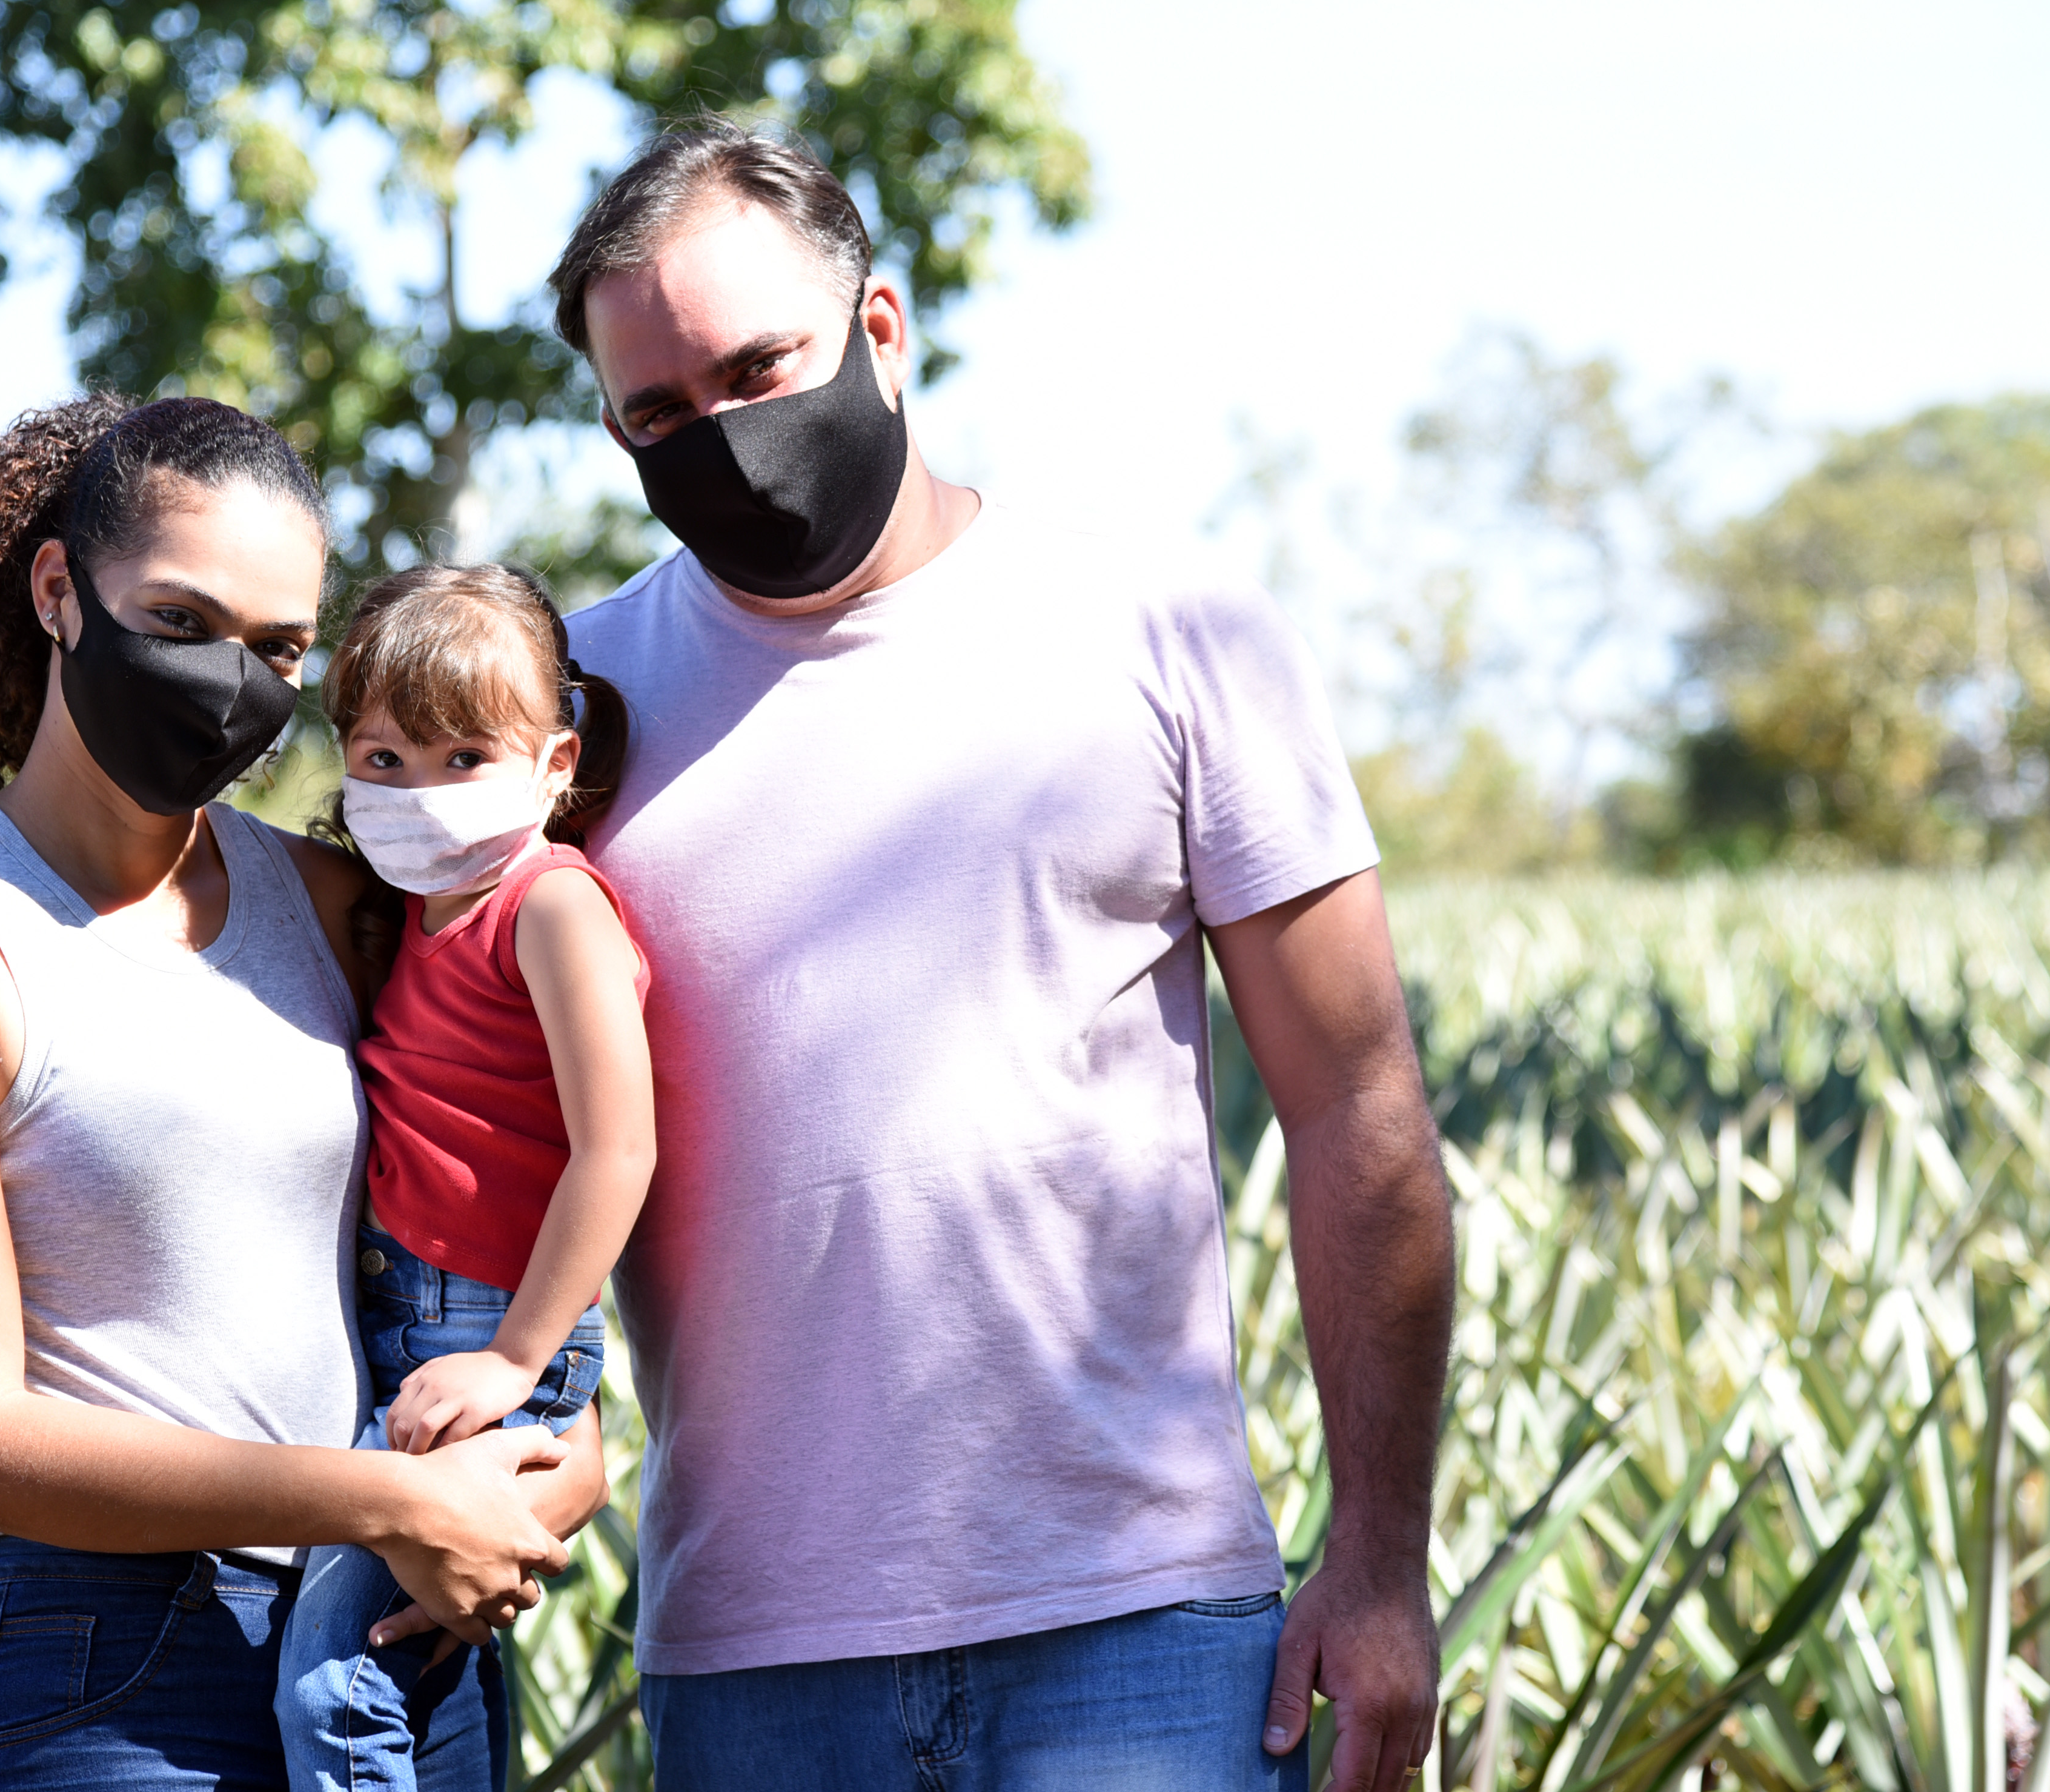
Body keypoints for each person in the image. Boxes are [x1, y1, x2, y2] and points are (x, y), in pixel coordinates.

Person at [541, 119, 1457, 1790]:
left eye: (759, 369)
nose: (723, 435)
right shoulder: (565, 720)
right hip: (752, 1663)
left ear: (880, 330)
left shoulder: (1173, 634)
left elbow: (1357, 1106)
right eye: (658, 413)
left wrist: (1383, 1567)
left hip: (1143, 1639)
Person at [0, 396, 609, 1792]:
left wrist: (560, 1445)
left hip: (398, 1636)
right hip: (112, 1670)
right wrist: (384, 1498)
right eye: (180, 620)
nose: (229, 680)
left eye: (278, 649)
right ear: (60, 593)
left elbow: (493, 1180)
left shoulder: (340, 903)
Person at [274, 564, 655, 1792]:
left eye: (464, 757)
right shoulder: (416, 912)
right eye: (383, 759)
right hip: (415, 1326)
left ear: (554, 765)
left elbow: (619, 1148)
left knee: (336, 1693)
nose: (420, 790)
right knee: (402, 1677)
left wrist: (515, 1361)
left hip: (487, 1330)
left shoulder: (550, 906)